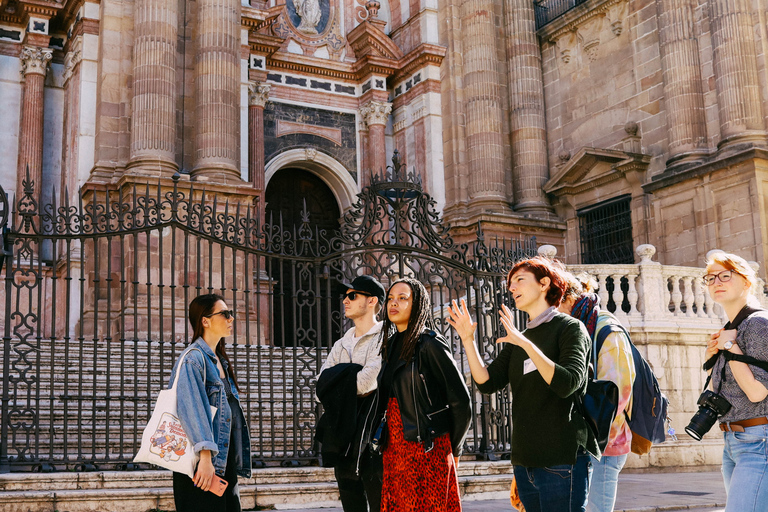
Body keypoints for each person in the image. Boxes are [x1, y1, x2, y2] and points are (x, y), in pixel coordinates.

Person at [447, 256, 596, 512]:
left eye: (519, 280)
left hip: (561, 460)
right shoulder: (519, 337)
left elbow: (567, 383)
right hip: (525, 462)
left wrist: (525, 344)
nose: (511, 288)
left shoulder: (571, 328)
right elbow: (486, 381)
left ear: (544, 284)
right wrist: (467, 339)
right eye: (510, 283)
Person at [375, 277, 471, 512]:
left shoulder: (429, 344)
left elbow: (461, 401)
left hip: (427, 447)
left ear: (417, 304)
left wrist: (452, 448)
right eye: (390, 299)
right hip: (395, 447)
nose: (393, 304)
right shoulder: (390, 343)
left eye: (402, 298)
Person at [559, 273, 636, 512]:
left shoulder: (605, 327)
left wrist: (596, 438)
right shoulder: (571, 328)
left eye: (556, 299)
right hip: (580, 440)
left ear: (570, 298)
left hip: (604, 442)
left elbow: (619, 390)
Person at [170, 294, 251, 512]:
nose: (231, 318)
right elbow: (191, 409)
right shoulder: (193, 359)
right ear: (205, 320)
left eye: (231, 313)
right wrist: (205, 458)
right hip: (202, 462)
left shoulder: (218, 360)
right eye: (225, 314)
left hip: (221, 460)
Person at [702, 252, 768, 512]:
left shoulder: (758, 324)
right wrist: (711, 359)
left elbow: (756, 393)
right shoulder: (730, 327)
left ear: (746, 282)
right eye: (710, 278)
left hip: (757, 442)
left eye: (725, 275)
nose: (716, 282)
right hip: (732, 443)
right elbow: (717, 392)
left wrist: (730, 347)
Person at [316, 275, 386, 512]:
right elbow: (320, 388)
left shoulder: (385, 337)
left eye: (352, 295)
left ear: (372, 301)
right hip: (342, 437)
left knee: (379, 504)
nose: (345, 300)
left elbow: (367, 382)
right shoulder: (341, 343)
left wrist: (338, 376)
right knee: (351, 506)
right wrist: (351, 373)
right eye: (345, 296)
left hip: (372, 437)